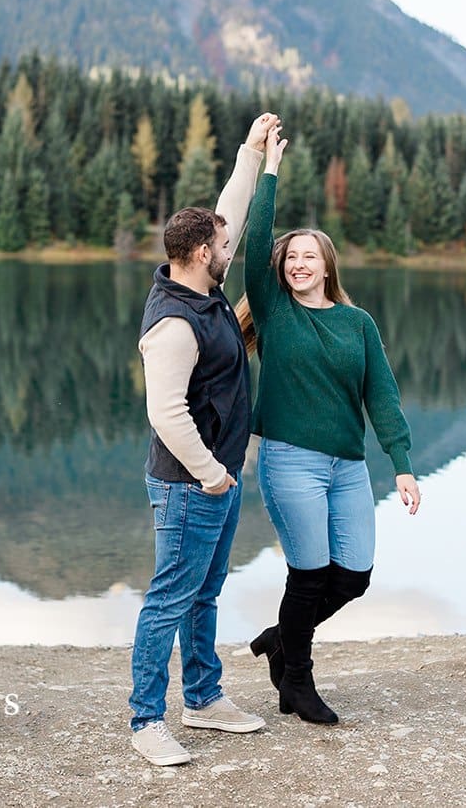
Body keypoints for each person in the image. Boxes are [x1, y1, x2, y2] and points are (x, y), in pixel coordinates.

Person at [236, 124, 421, 725]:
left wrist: (403, 465)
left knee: (355, 576)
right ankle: (297, 681)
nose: (297, 264)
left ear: (326, 265)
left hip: (348, 467)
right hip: (290, 459)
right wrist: (268, 170)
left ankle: (279, 637)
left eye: (308, 257)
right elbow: (256, 235)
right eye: (291, 258)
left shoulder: (358, 323)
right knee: (309, 573)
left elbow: (383, 397)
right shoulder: (274, 311)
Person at [128, 111, 281, 766]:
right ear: (201, 254)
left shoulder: (201, 285)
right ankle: (145, 720)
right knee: (170, 594)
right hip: (191, 481)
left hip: (216, 477)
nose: (230, 246)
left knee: (205, 590)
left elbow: (227, 213)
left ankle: (203, 697)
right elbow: (165, 411)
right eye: (222, 245)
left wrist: (250, 154)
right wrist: (211, 473)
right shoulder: (173, 323)